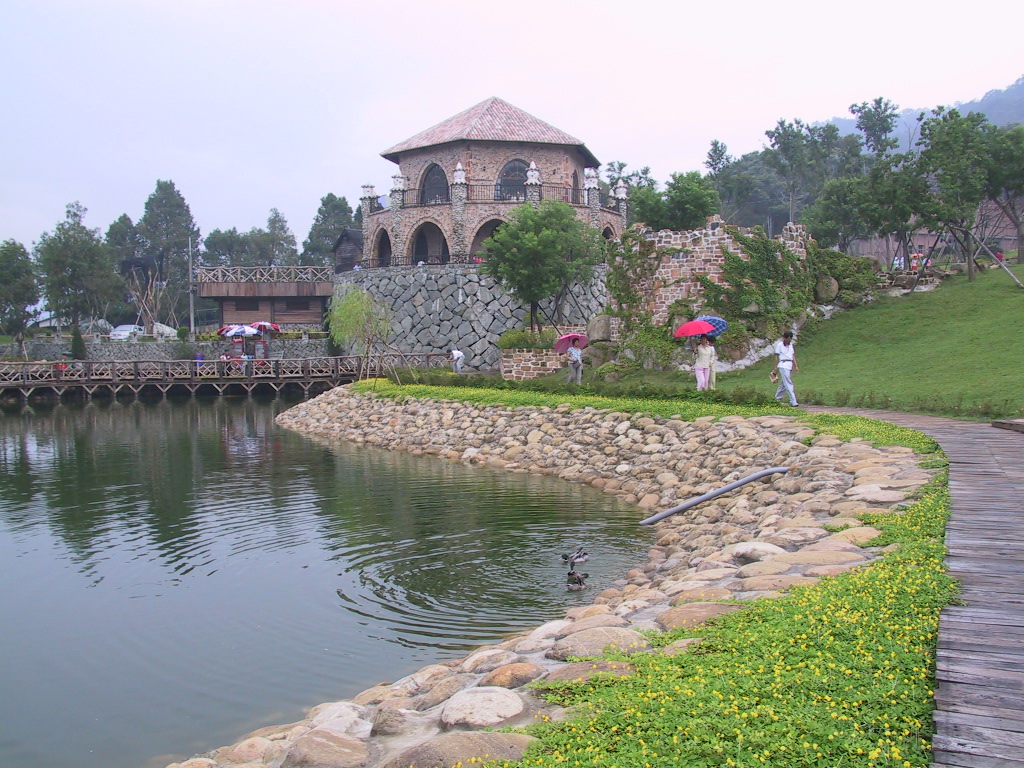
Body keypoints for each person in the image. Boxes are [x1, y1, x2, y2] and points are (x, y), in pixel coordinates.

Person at [772, 331, 799, 407]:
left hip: (789, 365)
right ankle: (793, 401)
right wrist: (775, 367)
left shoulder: (791, 345)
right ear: (785, 338)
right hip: (783, 365)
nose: (790, 340)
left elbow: (792, 356)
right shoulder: (780, 345)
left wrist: (796, 366)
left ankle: (776, 399)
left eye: (791, 338)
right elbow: (776, 356)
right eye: (789, 338)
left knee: (783, 384)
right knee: (788, 383)